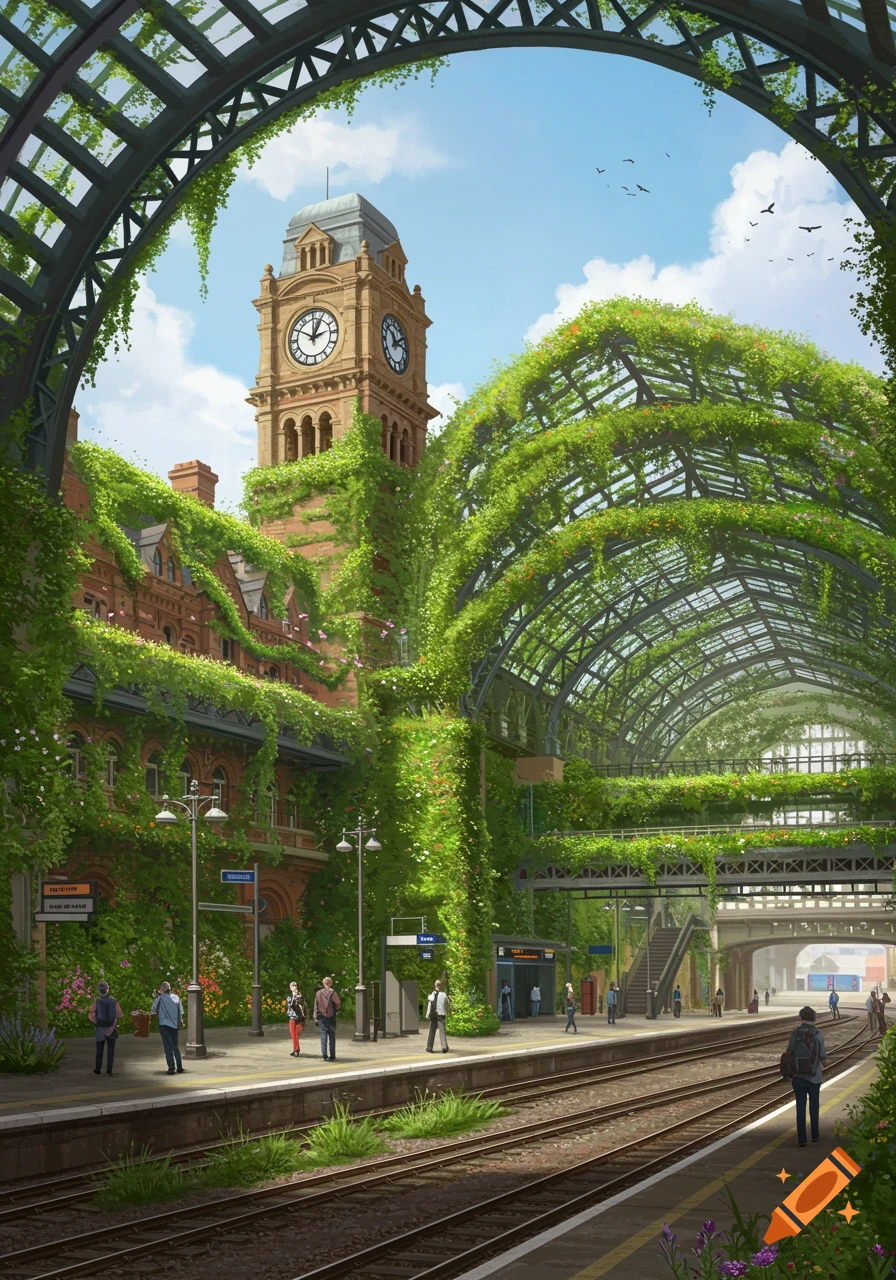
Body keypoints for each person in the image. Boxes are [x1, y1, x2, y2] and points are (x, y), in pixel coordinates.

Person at [785, 1006, 827, 1147]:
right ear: (814, 1018)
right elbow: (823, 1056)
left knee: (800, 1107)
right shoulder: (817, 1034)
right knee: (814, 1106)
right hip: (814, 1078)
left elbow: (789, 1052)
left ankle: (801, 1139)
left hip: (798, 1077)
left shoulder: (795, 1033)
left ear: (801, 1017)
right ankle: (815, 1135)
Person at [89, 980, 123, 1076]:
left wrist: (95, 1021)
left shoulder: (97, 1001)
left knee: (99, 1049)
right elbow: (119, 1014)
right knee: (111, 1049)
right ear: (107, 990)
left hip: (100, 1028)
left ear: (98, 991)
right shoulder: (114, 1001)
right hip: (111, 1028)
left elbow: (91, 1012)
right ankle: (109, 1069)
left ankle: (98, 1069)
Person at [150, 981, 185, 1075]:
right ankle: (179, 1067)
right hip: (174, 1025)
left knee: (167, 1047)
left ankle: (171, 1068)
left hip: (164, 1025)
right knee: (175, 1046)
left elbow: (153, 1010)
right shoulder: (176, 998)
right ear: (170, 988)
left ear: (162, 989)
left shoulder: (160, 998)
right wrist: (180, 1021)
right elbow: (180, 1011)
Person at [314, 976, 341, 1062]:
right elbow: (338, 1003)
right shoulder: (333, 993)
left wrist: (315, 1017)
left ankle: (324, 1055)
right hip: (331, 1017)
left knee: (323, 1036)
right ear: (330, 983)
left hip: (321, 1016)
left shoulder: (318, 993)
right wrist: (335, 1009)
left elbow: (316, 1006)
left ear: (323, 983)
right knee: (332, 1036)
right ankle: (332, 1055)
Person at [425, 978, 450, 1053]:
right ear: (440, 986)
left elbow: (429, 1006)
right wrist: (447, 1012)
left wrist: (427, 1014)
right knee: (442, 1031)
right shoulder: (443, 995)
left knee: (432, 1031)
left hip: (433, 1015)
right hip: (440, 1014)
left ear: (435, 985)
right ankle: (444, 1047)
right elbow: (447, 1005)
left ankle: (429, 1047)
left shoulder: (431, 995)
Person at [286, 981, 306, 1056]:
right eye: (292, 986)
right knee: (293, 1035)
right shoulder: (289, 997)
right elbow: (290, 1005)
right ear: (290, 988)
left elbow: (301, 1005)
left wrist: (295, 996)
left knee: (296, 1034)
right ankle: (296, 1050)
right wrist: (294, 997)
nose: (294, 987)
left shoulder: (300, 996)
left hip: (299, 1019)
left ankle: (296, 1050)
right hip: (292, 1018)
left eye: (295, 986)